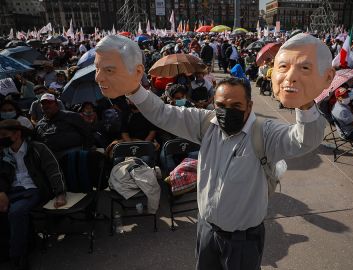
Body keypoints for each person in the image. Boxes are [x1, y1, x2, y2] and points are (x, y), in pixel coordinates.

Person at [94, 34, 327, 270]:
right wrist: (134, 89)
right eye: (221, 106)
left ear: (249, 106)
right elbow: (162, 113)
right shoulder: (205, 123)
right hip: (206, 230)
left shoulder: (264, 133)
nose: (227, 112)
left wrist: (306, 104)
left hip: (243, 240)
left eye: (236, 106)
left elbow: (302, 141)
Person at [0, 119, 66, 270]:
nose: (1, 138)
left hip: (33, 190)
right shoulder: (2, 152)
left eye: (4, 135)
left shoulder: (37, 148)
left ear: (17, 134)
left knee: (16, 212)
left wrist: (60, 193)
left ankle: (18, 255)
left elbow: (54, 171)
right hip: (10, 191)